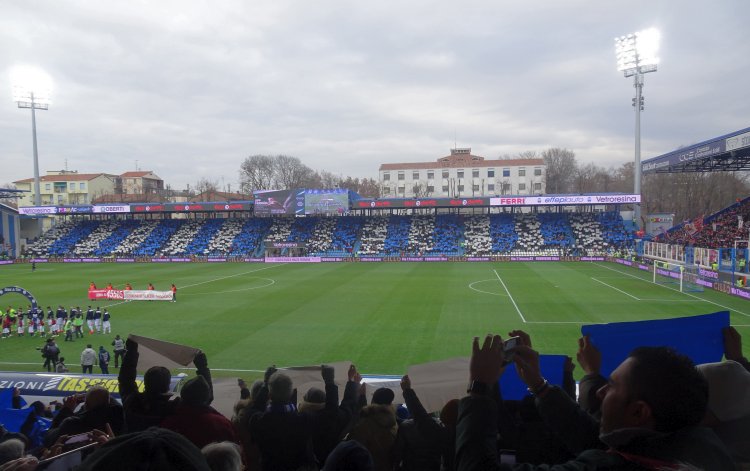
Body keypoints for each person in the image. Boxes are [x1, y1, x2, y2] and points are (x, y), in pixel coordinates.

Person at [455, 334, 734, 470]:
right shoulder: (703, 444)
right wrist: (538, 385)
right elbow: (596, 439)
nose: (600, 392)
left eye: (611, 386)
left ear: (638, 411)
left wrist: (479, 387)